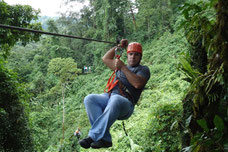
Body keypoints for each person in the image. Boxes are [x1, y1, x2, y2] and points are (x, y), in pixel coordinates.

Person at [78, 39, 150, 149]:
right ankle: (105, 139)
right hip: (110, 96)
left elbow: (137, 84)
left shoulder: (143, 69)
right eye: (130, 54)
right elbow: (105, 58)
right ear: (127, 55)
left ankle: (92, 137)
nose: (133, 57)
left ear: (140, 57)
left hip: (126, 103)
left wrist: (123, 67)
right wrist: (120, 47)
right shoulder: (119, 66)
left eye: (136, 55)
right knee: (89, 99)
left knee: (116, 99)